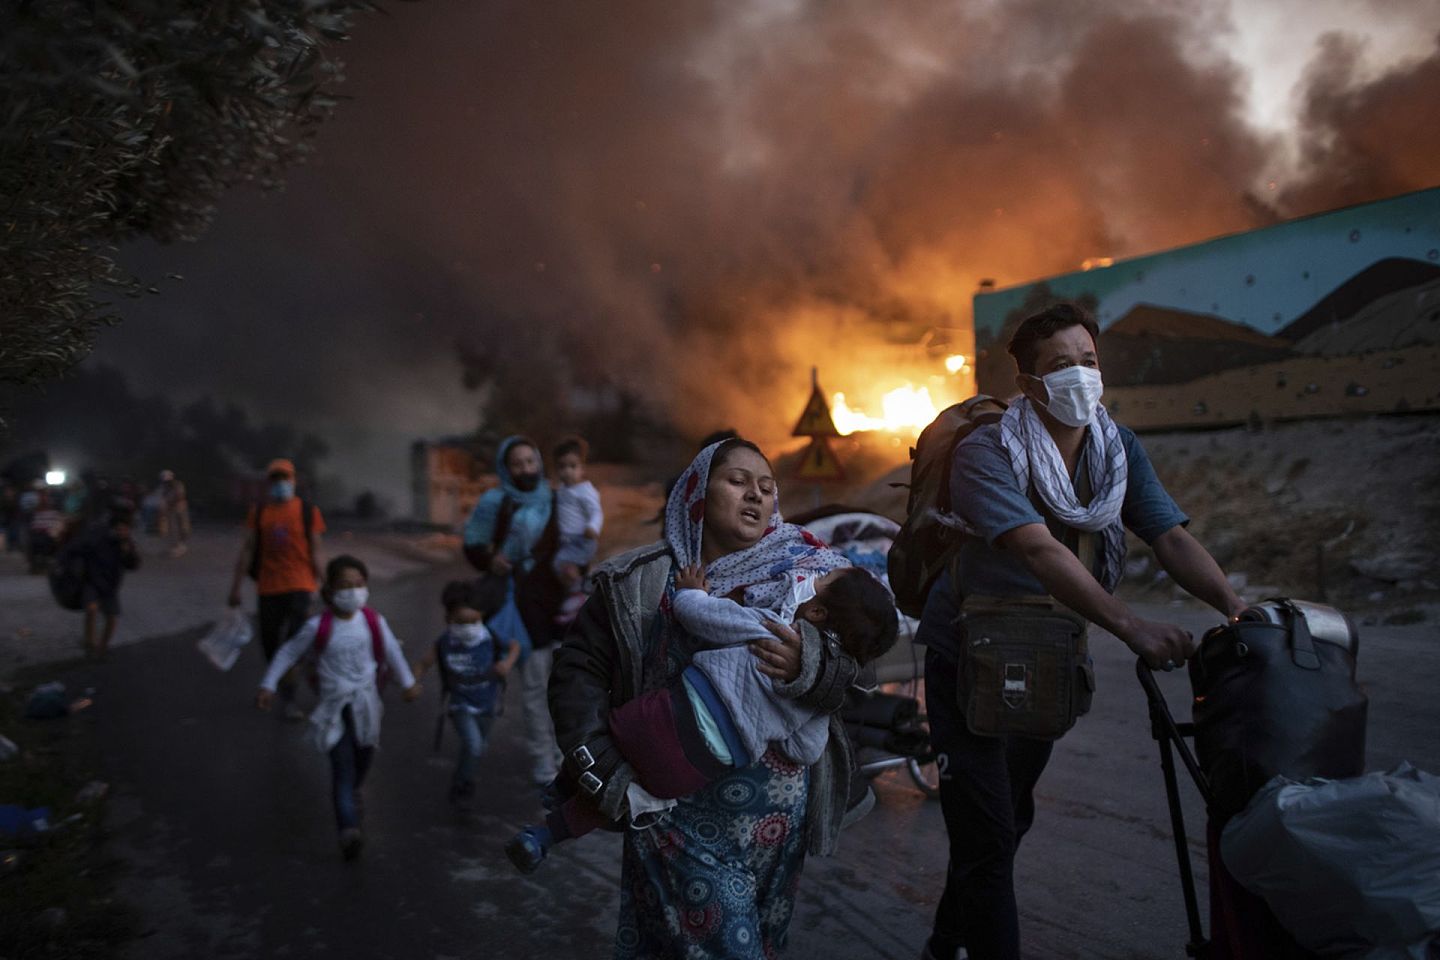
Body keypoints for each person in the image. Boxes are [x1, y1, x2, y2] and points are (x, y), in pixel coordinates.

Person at [916, 302, 1246, 960]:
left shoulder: (1116, 448)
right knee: (988, 835)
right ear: (1030, 384)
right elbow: (1039, 551)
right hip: (969, 655)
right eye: (1060, 365)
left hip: (1045, 656)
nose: (1079, 377)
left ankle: (945, 943)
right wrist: (1132, 628)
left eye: (1088, 362)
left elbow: (1169, 536)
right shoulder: (987, 451)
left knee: (1006, 821)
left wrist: (1235, 609)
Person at [548, 438, 863, 958]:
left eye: (766, 487)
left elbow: (861, 662)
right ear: (695, 491)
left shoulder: (811, 573)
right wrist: (605, 772)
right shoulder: (641, 581)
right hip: (674, 816)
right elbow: (577, 672)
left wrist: (815, 666)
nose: (755, 496)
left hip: (778, 829)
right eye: (737, 481)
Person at [507, 559, 895, 873]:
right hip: (693, 769)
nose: (814, 575)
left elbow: (696, 614)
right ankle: (542, 837)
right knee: (622, 796)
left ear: (815, 610)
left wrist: (693, 589)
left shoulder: (771, 629)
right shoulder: (818, 700)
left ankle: (558, 793)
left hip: (661, 717)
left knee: (610, 741)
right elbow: (806, 750)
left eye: (822, 578)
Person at [255, 554, 421, 860]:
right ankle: (348, 829)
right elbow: (288, 652)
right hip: (335, 710)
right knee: (342, 768)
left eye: (359, 584)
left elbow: (392, 652)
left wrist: (408, 682)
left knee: (363, 757)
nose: (353, 591)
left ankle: (352, 795)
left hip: (367, 706)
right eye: (345, 585)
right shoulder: (317, 626)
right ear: (329, 590)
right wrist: (268, 684)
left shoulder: (373, 621)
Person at [462, 436, 567, 786]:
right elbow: (473, 544)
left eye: (530, 461)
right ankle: (544, 762)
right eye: (517, 463)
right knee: (537, 687)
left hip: (559, 604)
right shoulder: (497, 501)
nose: (526, 469)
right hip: (521, 603)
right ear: (505, 469)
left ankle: (565, 755)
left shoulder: (556, 498)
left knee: (564, 686)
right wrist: (492, 559)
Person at [228, 459, 326, 721]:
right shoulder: (259, 513)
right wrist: (235, 587)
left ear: (293, 480)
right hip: (269, 588)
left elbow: (316, 552)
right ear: (269, 483)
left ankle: (290, 699)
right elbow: (248, 550)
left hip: (300, 586)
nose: (281, 483)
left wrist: (328, 586)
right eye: (276, 478)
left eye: (285, 478)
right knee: (271, 646)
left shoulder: (307, 511)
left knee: (292, 645)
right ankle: (285, 684)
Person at [412, 580, 520, 806]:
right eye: (462, 622)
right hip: (460, 705)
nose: (469, 627)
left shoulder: (488, 636)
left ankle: (466, 778)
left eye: (474, 621)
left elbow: (514, 647)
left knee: (479, 747)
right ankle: (461, 785)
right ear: (449, 619)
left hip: (487, 705)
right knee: (474, 745)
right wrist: (412, 683)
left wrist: (506, 665)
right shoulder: (444, 643)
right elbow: (423, 663)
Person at [69, 505, 141, 658]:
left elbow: (133, 565)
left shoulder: (126, 543)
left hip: (110, 585)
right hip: (92, 581)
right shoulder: (99, 538)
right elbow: (80, 550)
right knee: (91, 608)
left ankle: (102, 648)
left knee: (112, 617)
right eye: (119, 529)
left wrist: (128, 552)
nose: (122, 532)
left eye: (125, 529)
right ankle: (89, 643)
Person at [551, 435, 603, 591]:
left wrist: (593, 527)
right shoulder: (562, 489)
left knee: (560, 563)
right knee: (563, 566)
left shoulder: (585, 490)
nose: (567, 471)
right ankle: (581, 586)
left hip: (582, 539)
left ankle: (580, 591)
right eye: (562, 467)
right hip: (567, 541)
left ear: (582, 469)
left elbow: (596, 511)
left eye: (572, 466)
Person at [156, 469, 191, 557]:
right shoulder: (163, 487)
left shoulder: (178, 485)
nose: (166, 482)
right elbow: (161, 498)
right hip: (170, 511)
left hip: (180, 509)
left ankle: (181, 546)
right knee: (172, 529)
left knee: (183, 528)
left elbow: (180, 496)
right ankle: (175, 547)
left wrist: (169, 502)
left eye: (168, 480)